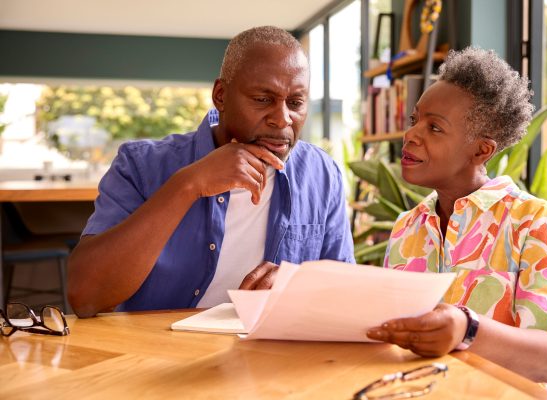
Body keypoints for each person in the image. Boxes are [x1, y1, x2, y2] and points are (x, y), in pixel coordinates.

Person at [67, 26, 354, 317]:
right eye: (263, 99)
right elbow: (87, 296)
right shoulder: (141, 165)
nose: (282, 119)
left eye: (295, 103)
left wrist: (299, 286)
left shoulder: (321, 173)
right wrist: (188, 184)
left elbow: (346, 294)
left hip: (270, 353)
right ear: (220, 95)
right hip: (156, 352)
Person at [365, 47, 547, 397]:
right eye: (415, 120)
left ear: (481, 151)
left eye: (434, 128)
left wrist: (467, 329)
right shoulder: (406, 228)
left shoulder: (532, 222)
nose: (411, 135)